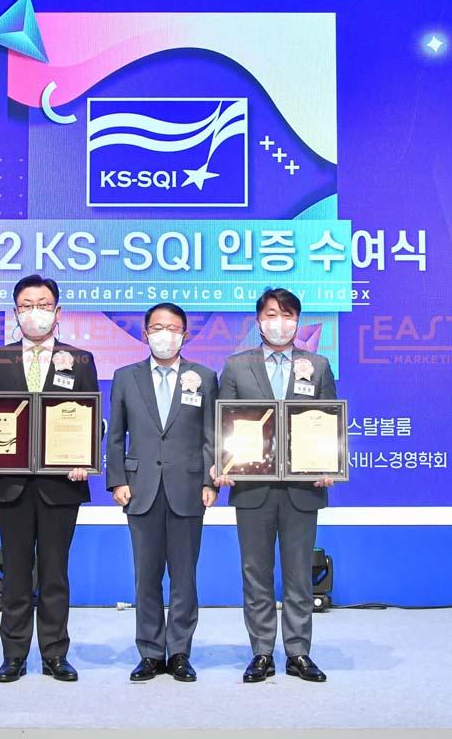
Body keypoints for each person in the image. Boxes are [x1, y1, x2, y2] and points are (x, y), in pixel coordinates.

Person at [0, 274, 97, 683]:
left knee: (56, 572)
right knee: (16, 572)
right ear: (15, 312)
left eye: (43, 305)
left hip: (62, 484)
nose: (35, 313)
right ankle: (14, 655)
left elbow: (91, 419)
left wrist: (85, 458)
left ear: (58, 312)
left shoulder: (80, 359)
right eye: (27, 306)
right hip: (11, 485)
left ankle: (55, 654)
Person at [213, 288, 337, 683]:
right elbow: (222, 424)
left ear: (297, 322)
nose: (278, 323)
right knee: (256, 572)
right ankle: (262, 652)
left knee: (299, 573)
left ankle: (298, 652)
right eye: (270, 314)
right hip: (252, 487)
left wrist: (327, 463)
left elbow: (327, 421)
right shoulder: (236, 366)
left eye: (286, 315)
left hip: (303, 488)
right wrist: (222, 463)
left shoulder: (317, 366)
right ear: (258, 321)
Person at [106, 303, 218, 683]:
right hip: (140, 490)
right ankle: (151, 653)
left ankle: (181, 652)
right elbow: (115, 435)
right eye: (157, 328)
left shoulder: (204, 377)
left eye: (172, 328)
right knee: (146, 576)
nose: (164, 335)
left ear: (185, 335)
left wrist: (209, 481)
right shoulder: (126, 377)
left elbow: (211, 435)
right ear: (145, 334)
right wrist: (118, 480)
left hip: (189, 488)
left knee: (185, 578)